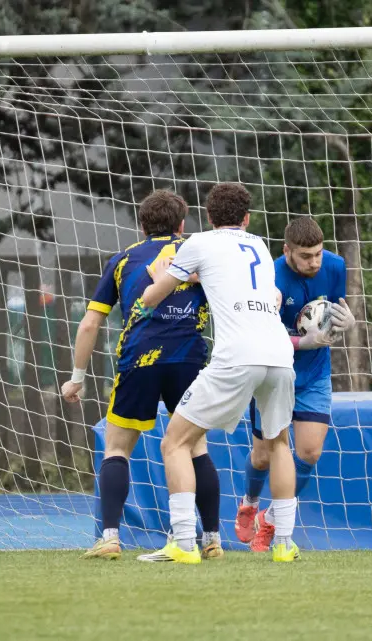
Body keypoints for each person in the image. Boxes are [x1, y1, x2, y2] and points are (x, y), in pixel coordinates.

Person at [133, 183, 301, 563]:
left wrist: (150, 291)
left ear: (208, 217)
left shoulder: (199, 242)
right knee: (279, 444)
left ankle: (183, 543)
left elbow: (155, 294)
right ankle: (284, 544)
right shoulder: (259, 245)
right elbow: (255, 290)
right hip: (279, 353)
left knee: (174, 443)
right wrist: (197, 277)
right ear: (247, 218)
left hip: (237, 356)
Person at [61, 189, 223, 560]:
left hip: (140, 360)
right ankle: (212, 539)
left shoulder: (122, 260)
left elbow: (90, 324)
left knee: (117, 447)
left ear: (142, 226)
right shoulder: (199, 253)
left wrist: (77, 376)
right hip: (189, 360)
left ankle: (110, 538)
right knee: (195, 445)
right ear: (181, 224)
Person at [235, 216, 355, 551]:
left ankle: (272, 518)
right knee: (263, 456)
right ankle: (249, 502)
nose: (314, 262)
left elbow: (331, 313)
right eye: (305, 256)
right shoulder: (268, 276)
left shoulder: (335, 266)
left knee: (310, 452)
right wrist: (304, 342)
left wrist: (345, 323)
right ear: (287, 250)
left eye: (318, 254)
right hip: (273, 372)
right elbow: (260, 334)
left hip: (314, 375)